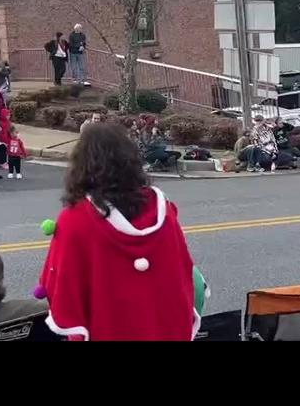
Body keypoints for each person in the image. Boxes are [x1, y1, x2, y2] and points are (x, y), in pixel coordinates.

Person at [37, 124, 198, 340]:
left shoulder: (75, 219)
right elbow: (182, 273)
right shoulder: (164, 211)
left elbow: (61, 284)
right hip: (162, 329)